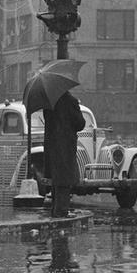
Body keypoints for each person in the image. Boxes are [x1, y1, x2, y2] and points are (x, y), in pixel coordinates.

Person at [43, 90, 85, 218]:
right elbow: (80, 123)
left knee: (56, 179)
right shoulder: (71, 101)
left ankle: (56, 211)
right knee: (64, 180)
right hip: (65, 145)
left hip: (52, 145)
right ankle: (61, 212)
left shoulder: (48, 103)